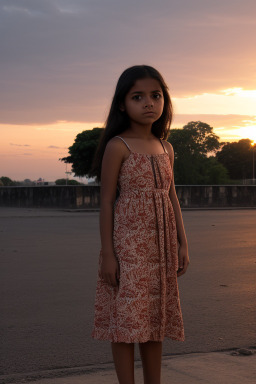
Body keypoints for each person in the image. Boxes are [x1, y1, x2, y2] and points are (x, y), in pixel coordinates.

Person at [91, 65, 189, 384]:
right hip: (129, 248)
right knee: (126, 322)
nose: (149, 103)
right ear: (122, 104)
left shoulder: (166, 147)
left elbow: (171, 197)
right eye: (138, 97)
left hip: (161, 250)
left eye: (155, 96)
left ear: (165, 101)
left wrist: (182, 242)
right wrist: (108, 253)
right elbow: (106, 201)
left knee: (154, 319)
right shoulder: (118, 145)